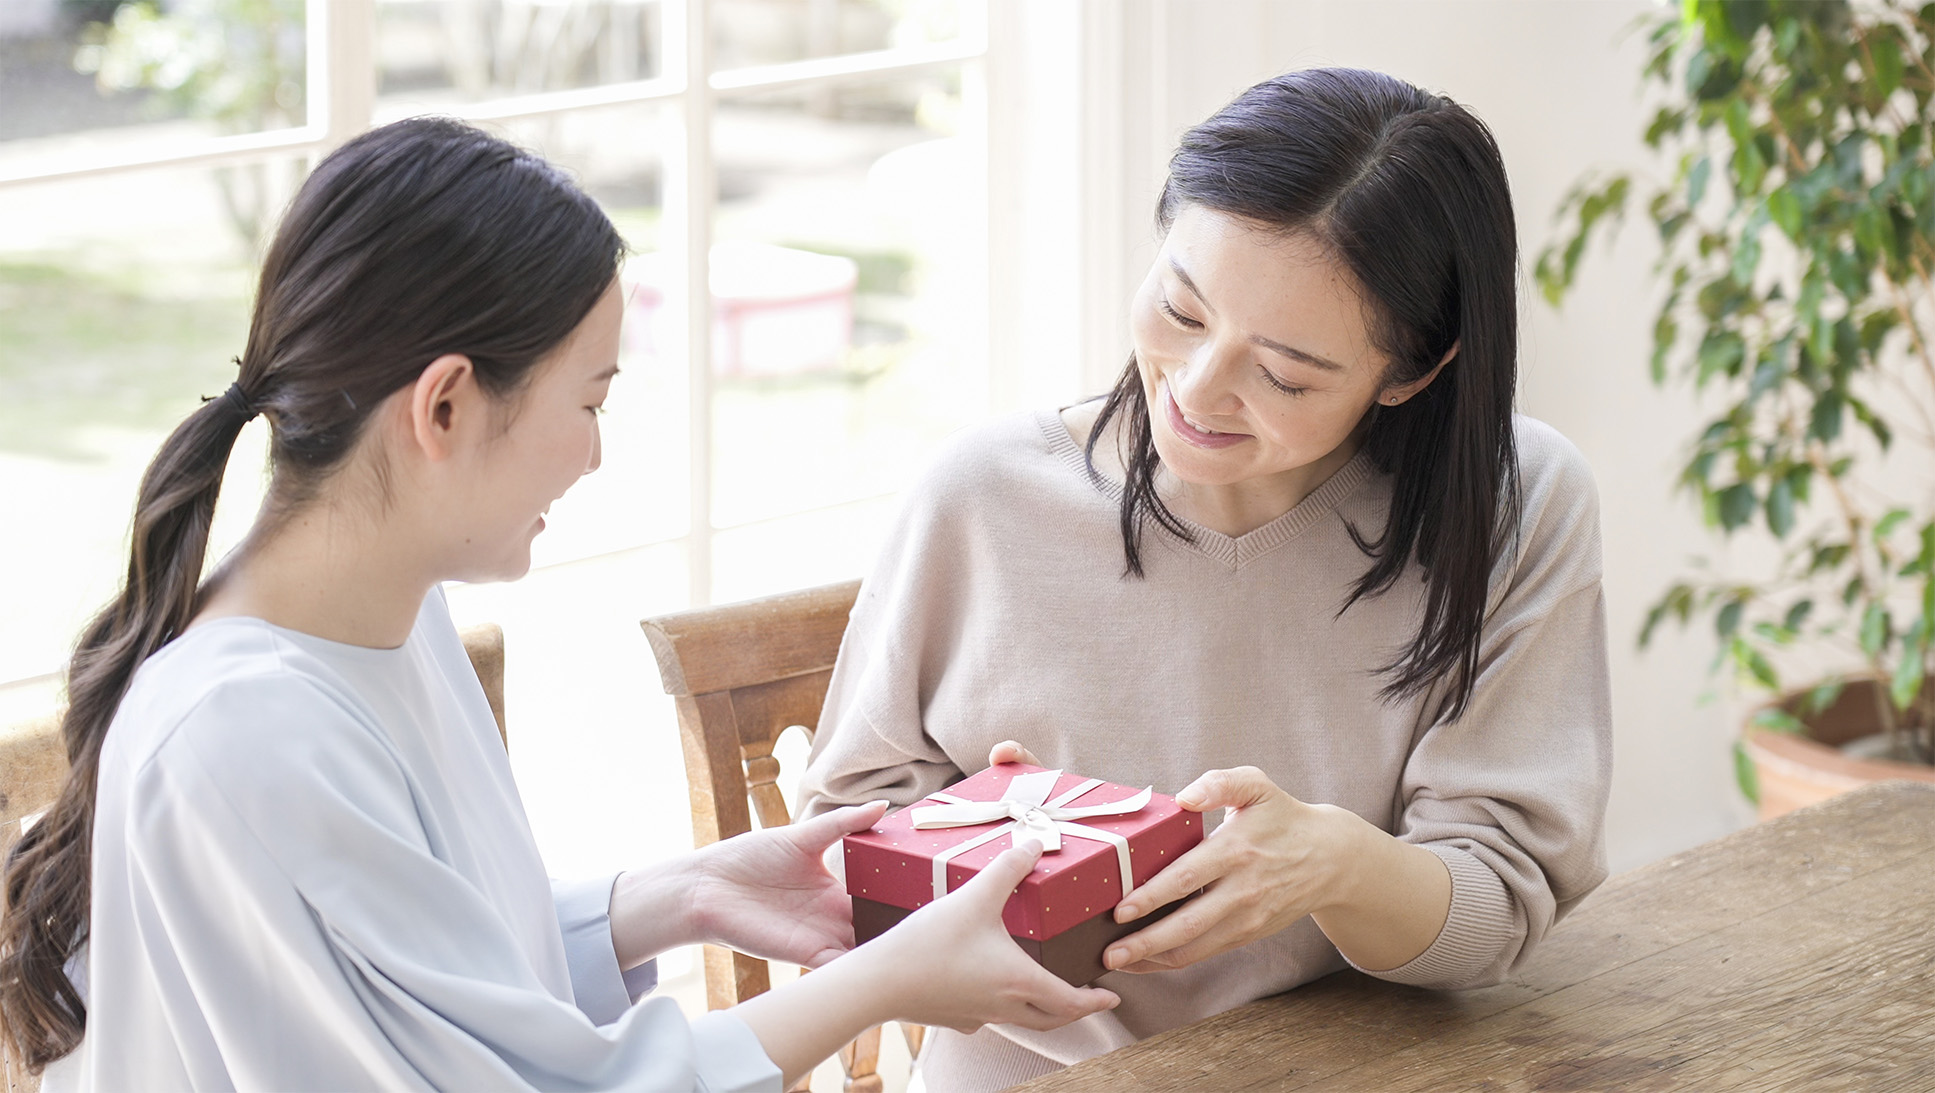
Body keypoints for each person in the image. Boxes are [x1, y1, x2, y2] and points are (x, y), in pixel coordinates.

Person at [0, 117, 1120, 1092]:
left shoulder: (391, 621)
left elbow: (430, 999)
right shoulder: (247, 735)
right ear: (443, 405)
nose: (594, 456)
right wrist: (889, 979)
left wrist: (679, 893)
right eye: (588, 400)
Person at [797, 66, 1615, 1090]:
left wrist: (1335, 864)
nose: (1194, 389)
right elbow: (843, 845)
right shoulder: (984, 499)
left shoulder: (1512, 502)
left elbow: (1497, 908)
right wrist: (981, 849)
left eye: (1283, 374)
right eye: (1182, 310)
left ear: (1413, 372)